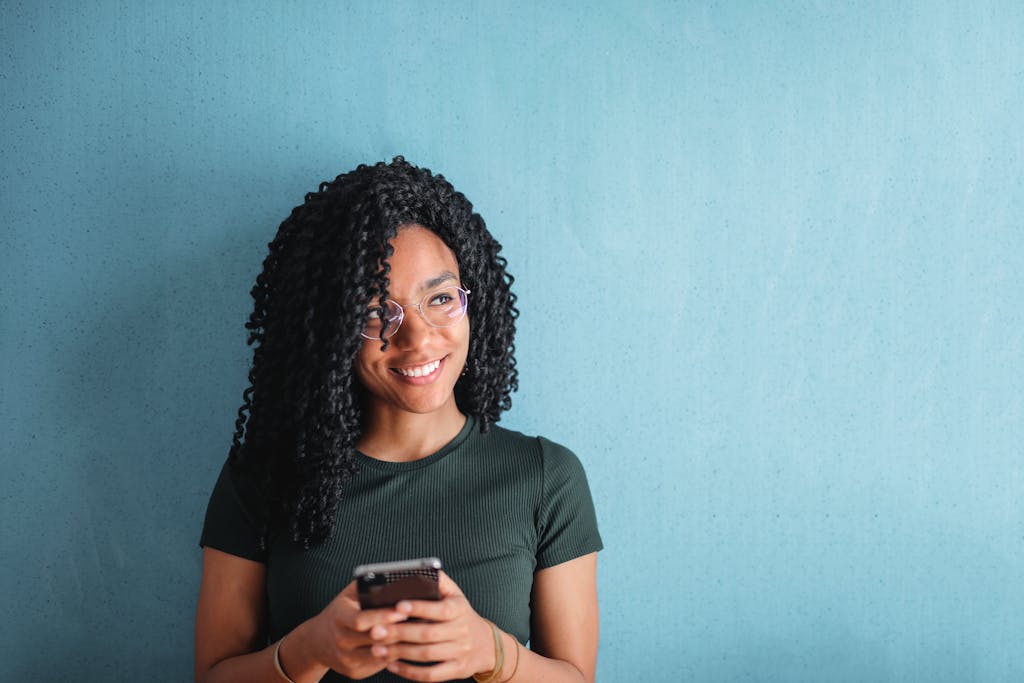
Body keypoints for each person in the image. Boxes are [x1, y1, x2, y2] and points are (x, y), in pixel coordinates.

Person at [195, 157, 602, 683]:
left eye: (439, 299)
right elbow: (211, 677)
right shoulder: (261, 479)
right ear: (333, 330)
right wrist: (309, 648)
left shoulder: (546, 477)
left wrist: (492, 653)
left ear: (471, 297)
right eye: (373, 313)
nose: (419, 339)